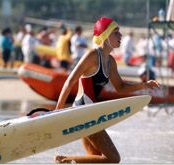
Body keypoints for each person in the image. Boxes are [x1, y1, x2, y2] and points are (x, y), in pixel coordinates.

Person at [54, 17, 160, 163]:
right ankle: (63, 160)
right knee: (113, 158)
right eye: (116, 32)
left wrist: (143, 85)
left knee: (97, 160)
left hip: (90, 114)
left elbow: (120, 87)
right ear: (105, 35)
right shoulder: (92, 56)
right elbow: (69, 82)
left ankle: (64, 160)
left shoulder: (111, 62)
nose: (120, 35)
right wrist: (56, 113)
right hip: (83, 114)